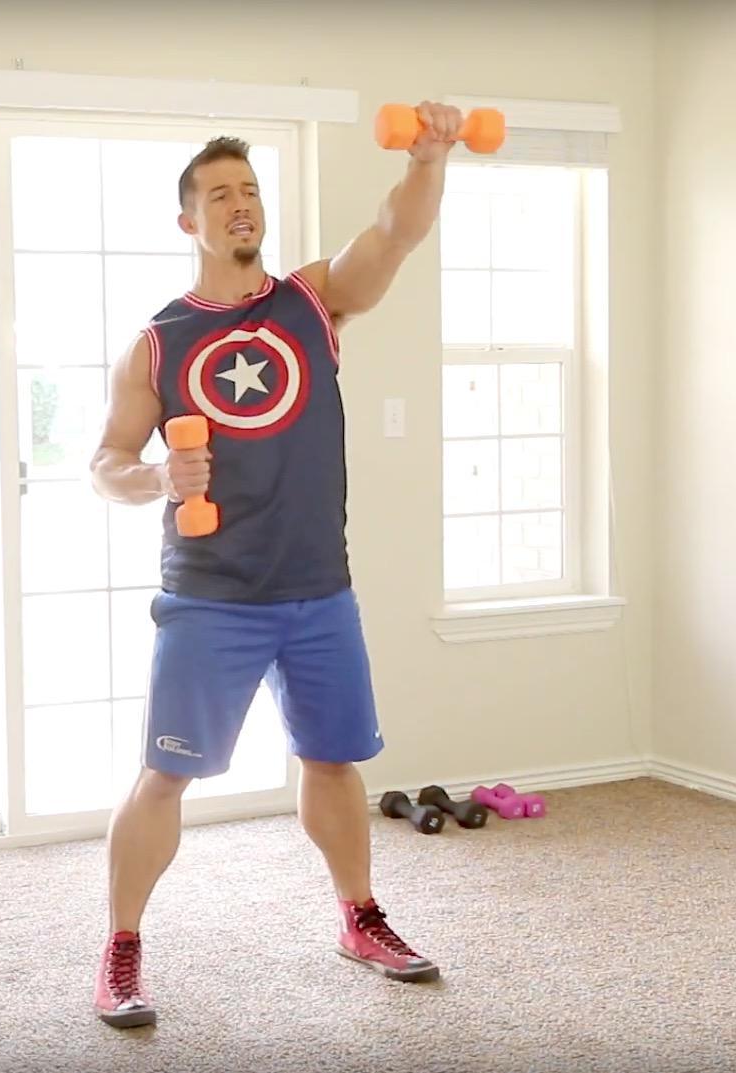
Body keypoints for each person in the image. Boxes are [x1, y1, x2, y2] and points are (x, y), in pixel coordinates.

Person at [85, 102, 465, 1029]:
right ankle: (121, 949)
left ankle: (359, 918)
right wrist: (157, 478)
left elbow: (395, 233)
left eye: (250, 189)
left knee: (333, 760)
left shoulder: (312, 302)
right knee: (163, 776)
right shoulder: (158, 343)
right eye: (219, 194)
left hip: (318, 589)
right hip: (210, 597)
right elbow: (104, 465)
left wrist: (427, 161)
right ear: (189, 220)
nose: (240, 204)